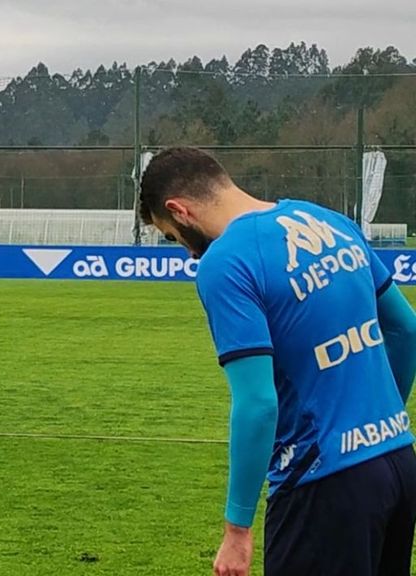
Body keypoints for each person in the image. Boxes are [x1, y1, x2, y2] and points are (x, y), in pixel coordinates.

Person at [138, 146, 416, 576]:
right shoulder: (329, 220)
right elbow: (405, 329)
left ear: (180, 210)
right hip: (398, 462)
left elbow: (257, 404)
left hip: (322, 483)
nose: (188, 252)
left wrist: (237, 529)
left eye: (173, 236)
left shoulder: (226, 262)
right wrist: (373, 429)